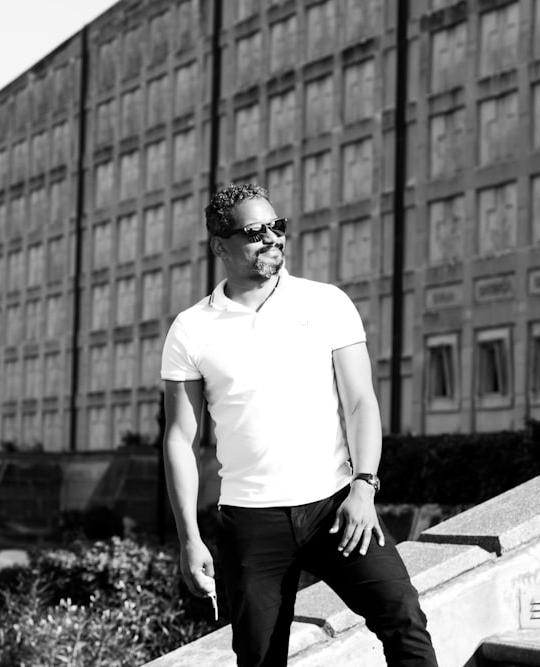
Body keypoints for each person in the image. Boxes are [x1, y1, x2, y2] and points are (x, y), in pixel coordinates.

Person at [160, 183, 438, 666]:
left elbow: (360, 403)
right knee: (260, 657)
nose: (271, 238)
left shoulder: (326, 302)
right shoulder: (191, 328)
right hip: (250, 520)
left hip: (336, 507)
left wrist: (364, 488)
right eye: (254, 231)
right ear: (219, 245)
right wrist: (189, 537)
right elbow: (181, 439)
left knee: (404, 621)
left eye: (277, 226)